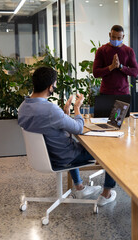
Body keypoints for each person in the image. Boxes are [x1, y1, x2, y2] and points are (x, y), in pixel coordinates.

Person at [18, 66, 116, 206]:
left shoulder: (23, 108)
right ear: (50, 87)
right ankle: (106, 195)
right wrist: (77, 109)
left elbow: (49, 129)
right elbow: (78, 128)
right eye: (55, 84)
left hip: (43, 156)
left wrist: (65, 114)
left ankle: (80, 187)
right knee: (110, 150)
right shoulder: (50, 109)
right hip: (63, 157)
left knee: (69, 143)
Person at [93, 24, 138, 95]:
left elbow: (135, 72)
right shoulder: (101, 50)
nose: (116, 40)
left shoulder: (128, 51)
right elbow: (96, 73)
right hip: (106, 93)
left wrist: (121, 67)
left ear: (123, 37)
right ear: (109, 34)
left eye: (119, 38)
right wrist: (111, 67)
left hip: (123, 93)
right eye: (113, 37)